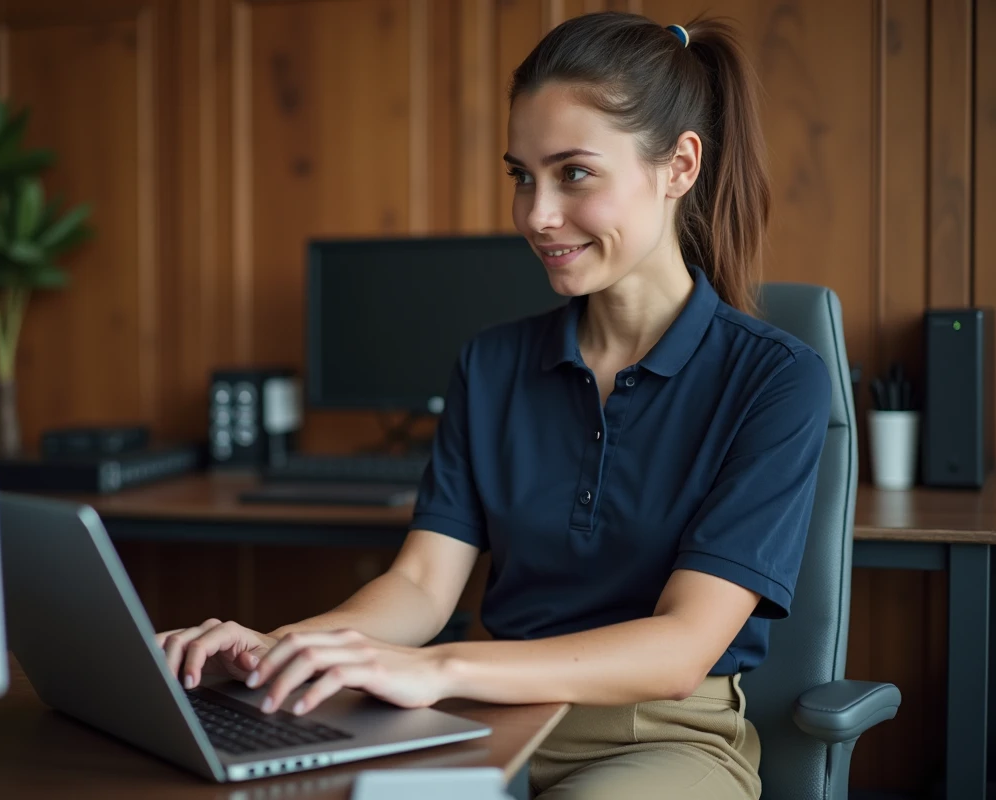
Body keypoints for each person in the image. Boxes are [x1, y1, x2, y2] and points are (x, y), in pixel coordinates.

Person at [156, 11, 831, 799]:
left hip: (660, 737)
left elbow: (681, 649)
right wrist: (280, 645)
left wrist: (438, 667)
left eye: (573, 173)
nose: (536, 215)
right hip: (477, 719)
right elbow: (421, 586)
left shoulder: (777, 379)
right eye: (522, 176)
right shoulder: (492, 363)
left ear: (679, 165)